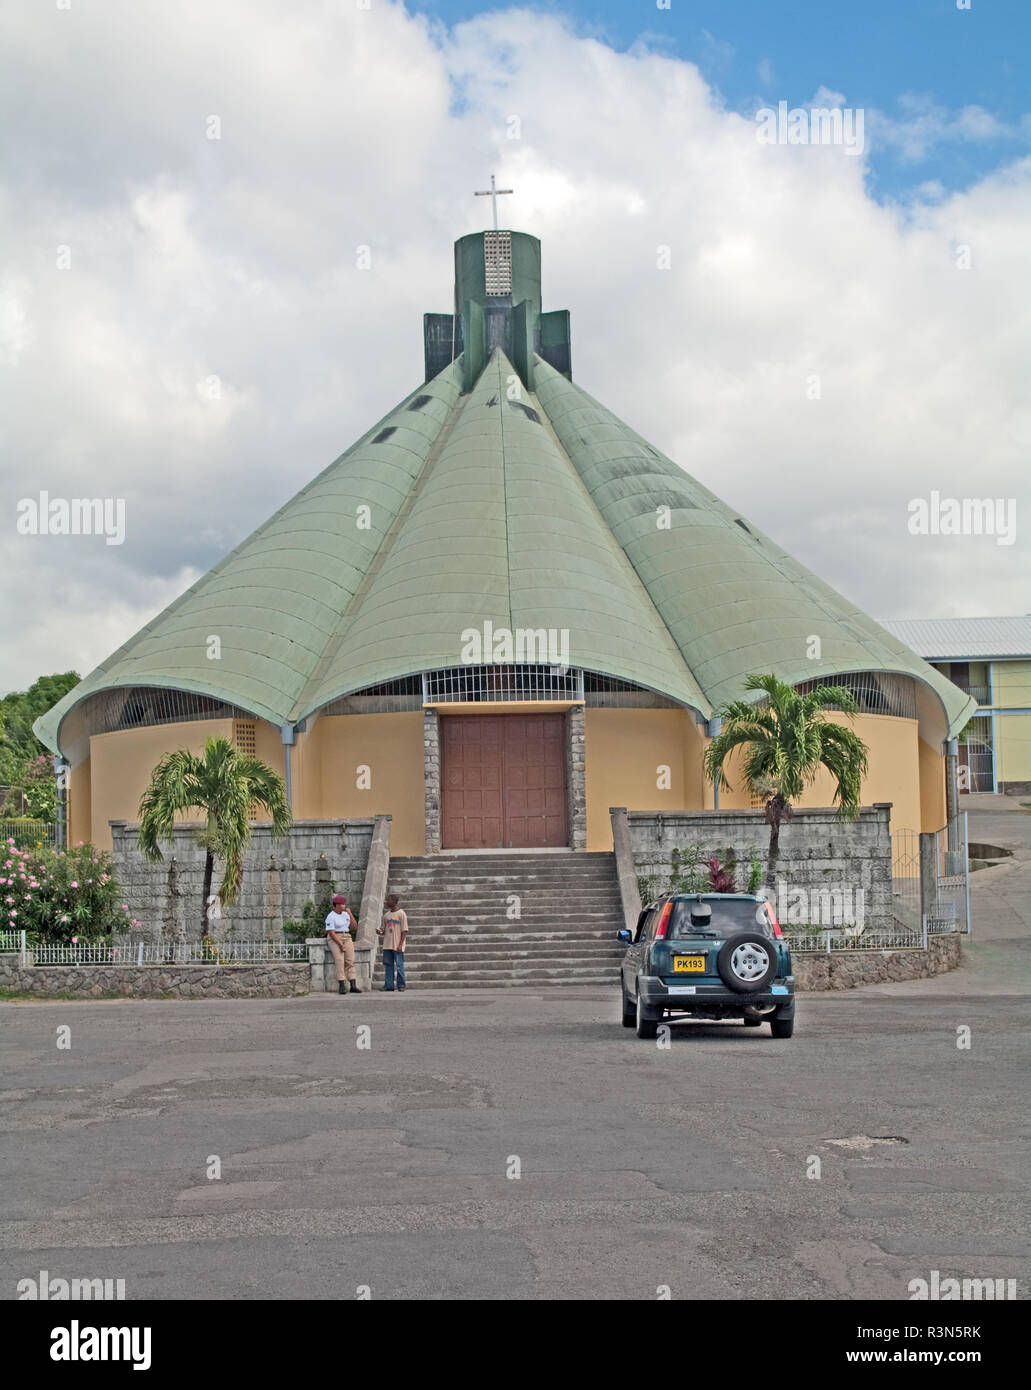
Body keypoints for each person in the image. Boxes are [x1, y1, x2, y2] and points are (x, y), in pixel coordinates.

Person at [325, 894, 361, 994]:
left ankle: (353, 985)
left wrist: (350, 914)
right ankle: (341, 985)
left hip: (347, 936)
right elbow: (331, 933)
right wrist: (340, 944)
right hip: (335, 937)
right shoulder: (331, 916)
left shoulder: (345, 914)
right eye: (341, 904)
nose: (344, 906)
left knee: (350, 960)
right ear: (336, 905)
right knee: (340, 960)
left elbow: (354, 927)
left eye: (344, 904)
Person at [377, 893, 409, 992]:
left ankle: (401, 985)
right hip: (387, 945)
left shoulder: (401, 914)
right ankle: (389, 985)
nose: (387, 902)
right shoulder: (386, 915)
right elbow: (384, 930)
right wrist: (380, 932)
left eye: (389, 900)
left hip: (397, 945)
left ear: (395, 902)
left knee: (399, 966)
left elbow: (404, 930)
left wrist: (400, 944)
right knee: (388, 966)